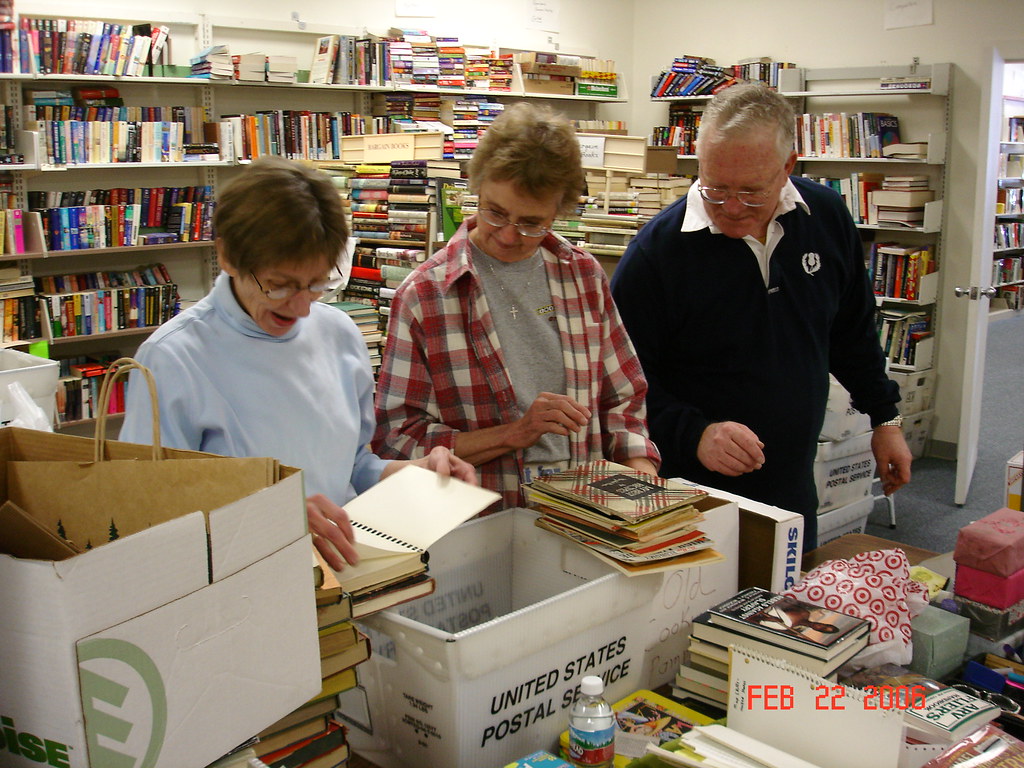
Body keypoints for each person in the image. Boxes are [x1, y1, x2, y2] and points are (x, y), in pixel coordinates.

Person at [119, 156, 476, 571]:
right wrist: (268, 514)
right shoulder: (172, 359)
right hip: (238, 585)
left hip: (338, 578)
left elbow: (352, 466)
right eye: (279, 285)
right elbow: (147, 512)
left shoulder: (340, 335)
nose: (302, 307)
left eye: (316, 284)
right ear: (228, 257)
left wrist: (415, 473)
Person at [610, 81, 912, 548]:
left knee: (787, 609)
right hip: (690, 490)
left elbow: (851, 330)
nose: (731, 208)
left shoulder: (826, 218)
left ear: (788, 167)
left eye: (751, 192)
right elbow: (620, 388)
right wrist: (695, 433)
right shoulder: (656, 255)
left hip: (792, 483)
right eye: (715, 187)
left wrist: (884, 419)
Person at [372, 102, 660, 509]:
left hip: (586, 507)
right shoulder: (426, 295)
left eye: (532, 223)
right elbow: (397, 437)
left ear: (559, 211)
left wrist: (641, 480)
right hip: (479, 514)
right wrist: (514, 433)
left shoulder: (582, 276)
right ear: (476, 186)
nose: (509, 236)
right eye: (495, 213)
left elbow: (623, 400)